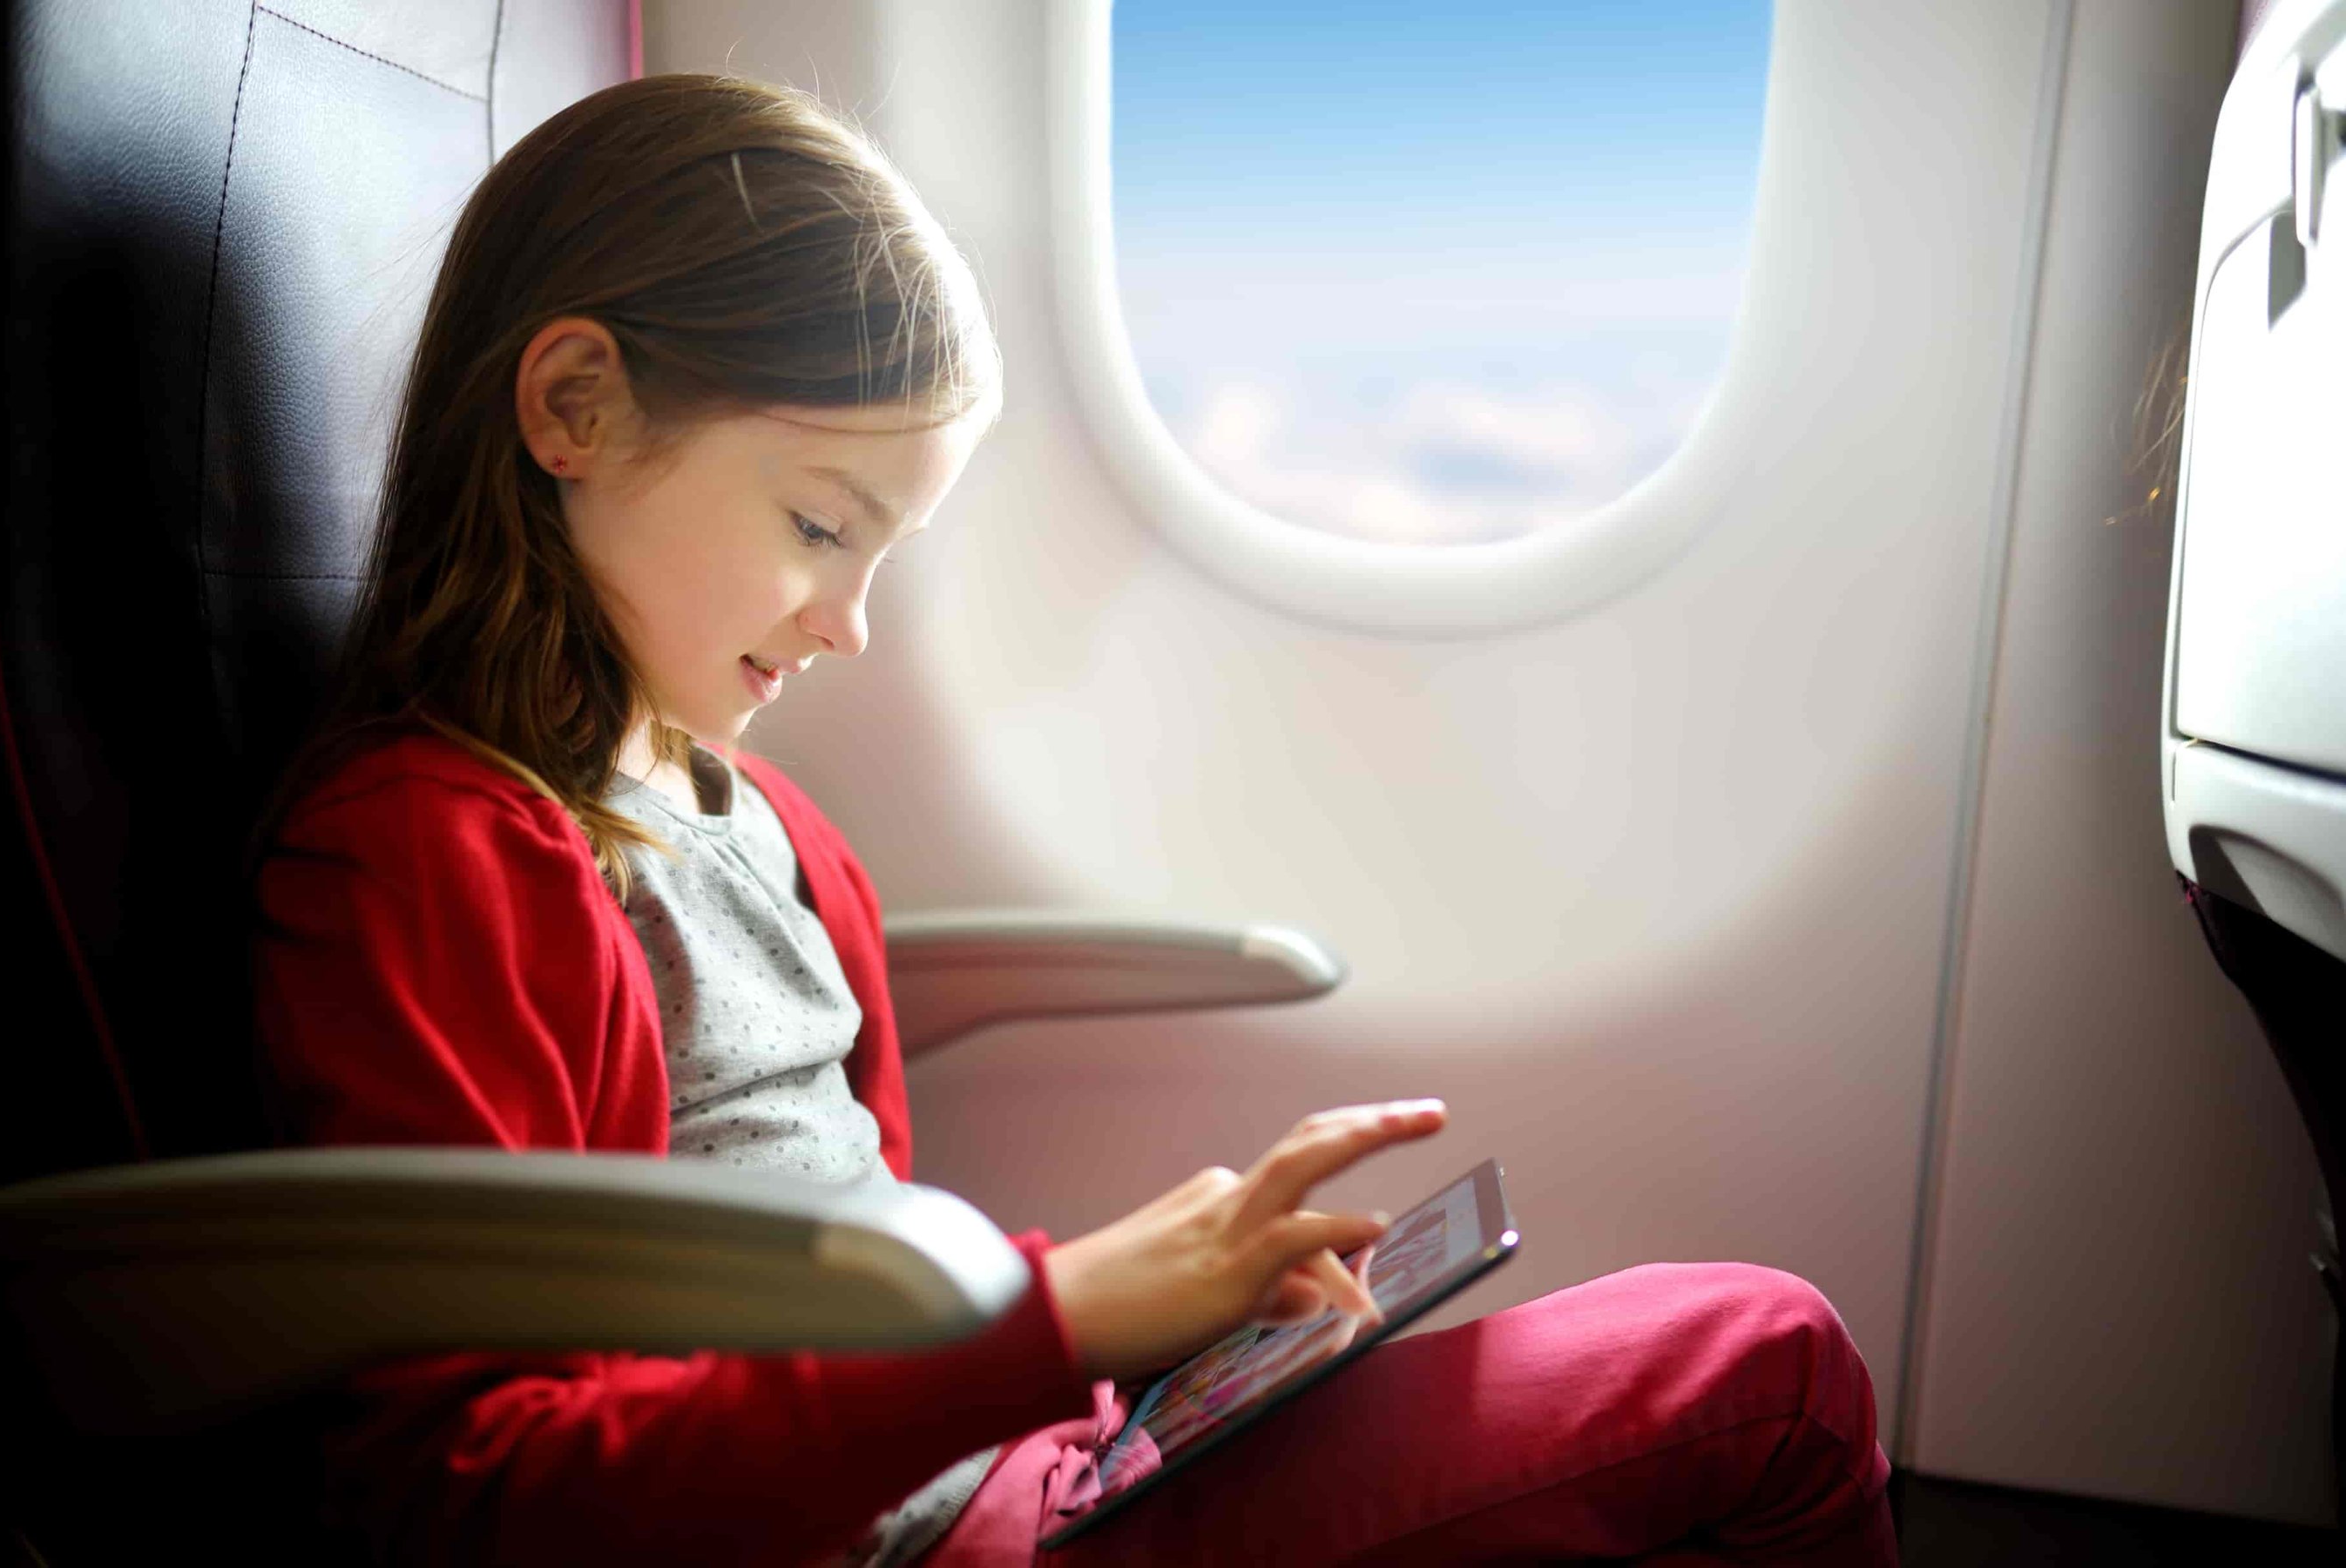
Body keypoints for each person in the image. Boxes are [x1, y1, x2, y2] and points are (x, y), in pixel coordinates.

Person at [248, 72, 1897, 1568]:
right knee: (1772, 1375)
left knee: (1738, 1340)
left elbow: (847, 1287)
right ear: (576, 409)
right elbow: (469, 1501)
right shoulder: (431, 858)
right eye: (821, 525)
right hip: (967, 1526)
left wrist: (1136, 1331)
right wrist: (1060, 1317)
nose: (848, 624)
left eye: (881, 556)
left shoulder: (749, 818)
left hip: (1045, 1461)